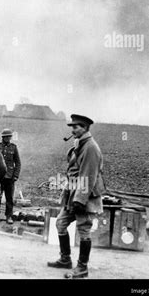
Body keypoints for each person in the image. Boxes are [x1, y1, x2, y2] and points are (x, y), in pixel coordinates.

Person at [47, 114, 106, 279]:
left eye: (76, 127)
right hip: (73, 192)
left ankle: (82, 268)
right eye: (71, 127)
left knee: (83, 230)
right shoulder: (79, 143)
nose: (72, 129)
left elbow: (89, 174)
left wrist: (80, 200)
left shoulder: (91, 147)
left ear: (85, 128)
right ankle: (65, 259)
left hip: (84, 195)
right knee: (60, 223)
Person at [0, 128, 21, 224]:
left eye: (9, 137)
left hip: (10, 177)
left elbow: (18, 163)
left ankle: (8, 216)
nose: (8, 138)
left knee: (9, 198)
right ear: (2, 137)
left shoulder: (13, 147)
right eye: (6, 137)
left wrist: (16, 176)